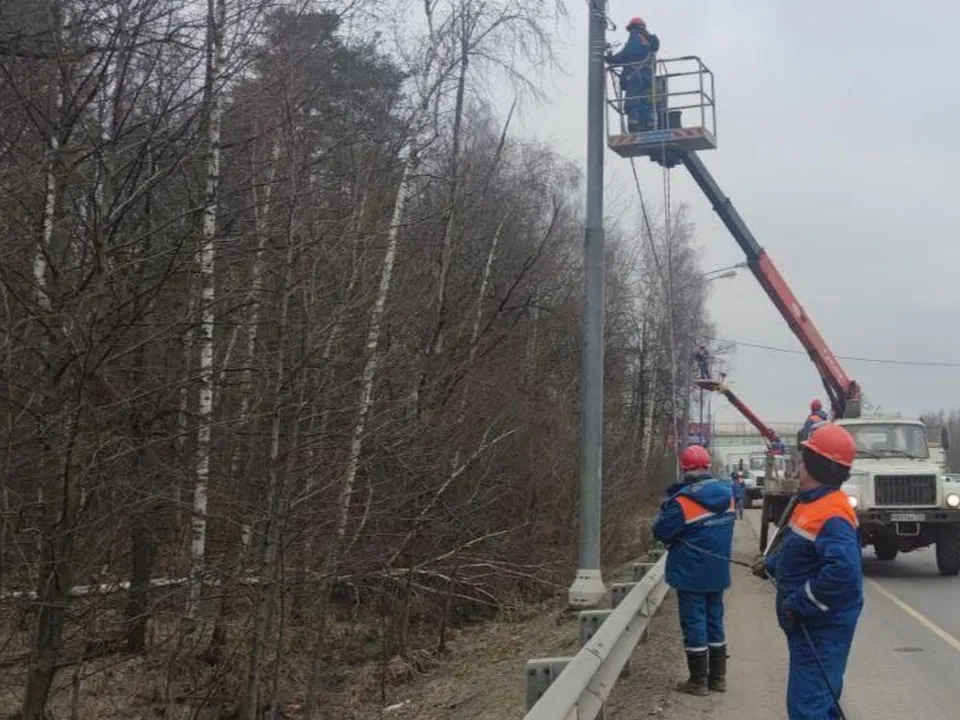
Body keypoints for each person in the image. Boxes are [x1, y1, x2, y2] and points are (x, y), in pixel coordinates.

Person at [752, 423, 862, 720]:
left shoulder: (832, 514)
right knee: (818, 703)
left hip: (821, 628)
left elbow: (842, 574)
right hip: (810, 625)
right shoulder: (812, 504)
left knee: (807, 709)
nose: (798, 465)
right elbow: (798, 550)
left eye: (804, 459)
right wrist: (770, 566)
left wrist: (799, 604)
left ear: (816, 466)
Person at [653, 445, 736, 695]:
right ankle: (718, 678)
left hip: (690, 573)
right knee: (715, 622)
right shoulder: (729, 495)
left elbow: (661, 532)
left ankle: (698, 681)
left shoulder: (682, 501)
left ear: (685, 468)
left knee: (694, 623)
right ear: (708, 466)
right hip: (718, 571)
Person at [605, 17, 660, 132]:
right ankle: (650, 123)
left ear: (632, 28)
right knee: (647, 101)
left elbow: (628, 53)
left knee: (633, 100)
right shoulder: (648, 40)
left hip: (635, 75)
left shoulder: (635, 36)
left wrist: (610, 58)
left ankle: (634, 124)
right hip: (647, 77)